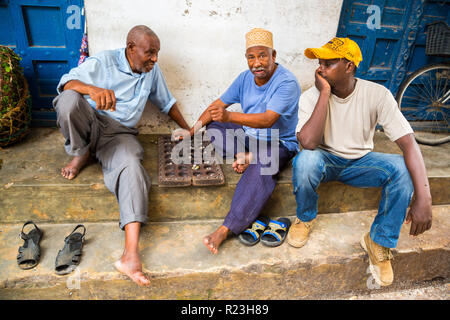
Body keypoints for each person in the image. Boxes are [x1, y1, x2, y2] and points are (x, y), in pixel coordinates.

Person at [288, 37, 433, 286]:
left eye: (329, 63)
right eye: (320, 63)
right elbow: (309, 143)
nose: (320, 68)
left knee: (401, 168)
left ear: (349, 66)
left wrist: (424, 198)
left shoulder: (377, 94)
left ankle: (378, 241)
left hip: (361, 163)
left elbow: (408, 143)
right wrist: (324, 93)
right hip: (324, 159)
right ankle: (305, 216)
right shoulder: (311, 97)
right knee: (305, 160)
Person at [53, 25, 191, 286]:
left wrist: (188, 128)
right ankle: (81, 152)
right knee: (68, 101)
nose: (154, 58)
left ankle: (130, 255)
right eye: (150, 52)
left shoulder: (151, 72)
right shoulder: (104, 62)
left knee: (132, 166)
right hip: (91, 121)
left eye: (157, 53)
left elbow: (167, 102)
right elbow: (66, 83)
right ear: (131, 48)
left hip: (119, 136)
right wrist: (91, 91)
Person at [190, 28, 301, 254]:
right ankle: (247, 155)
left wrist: (230, 116)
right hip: (250, 137)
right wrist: (191, 131)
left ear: (274, 55)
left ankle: (225, 228)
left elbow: (269, 120)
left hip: (278, 143)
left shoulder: (286, 82)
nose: (257, 62)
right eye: (251, 57)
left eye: (262, 55)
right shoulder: (244, 78)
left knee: (264, 165)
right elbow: (217, 106)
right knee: (213, 126)